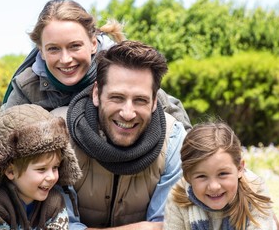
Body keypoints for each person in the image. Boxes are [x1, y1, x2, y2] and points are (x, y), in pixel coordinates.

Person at [0, 0, 191, 229]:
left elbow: (174, 123)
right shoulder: (28, 89)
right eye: (54, 49)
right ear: (40, 51)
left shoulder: (119, 73)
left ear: (94, 42)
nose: (66, 59)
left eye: (75, 46)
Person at [50, 40, 187, 229]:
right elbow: (59, 226)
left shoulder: (173, 138)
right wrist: (140, 228)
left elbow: (167, 225)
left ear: (155, 101)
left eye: (140, 100)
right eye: (117, 97)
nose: (128, 113)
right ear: (97, 93)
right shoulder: (59, 131)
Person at [0, 104, 82, 229]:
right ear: (10, 171)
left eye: (55, 167)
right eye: (41, 169)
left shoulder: (54, 202)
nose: (51, 177)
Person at [163, 122, 275, 230]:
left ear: (240, 168)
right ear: (188, 177)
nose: (214, 186)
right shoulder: (178, 196)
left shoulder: (255, 191)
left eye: (223, 174)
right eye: (202, 176)